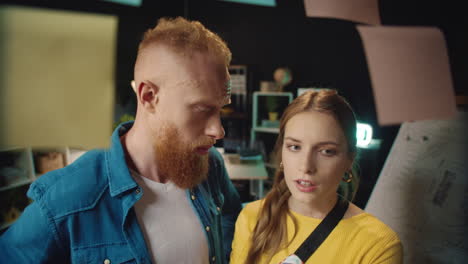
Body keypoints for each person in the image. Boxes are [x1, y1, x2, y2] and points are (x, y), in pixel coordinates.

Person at [0, 17, 242, 264]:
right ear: (148, 96)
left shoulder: (209, 166)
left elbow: (232, 220)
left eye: (220, 109)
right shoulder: (66, 200)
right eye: (201, 109)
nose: (218, 131)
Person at [230, 90, 403, 264]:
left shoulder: (378, 245)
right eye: (295, 147)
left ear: (349, 159)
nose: (306, 167)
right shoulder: (251, 218)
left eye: (326, 151)